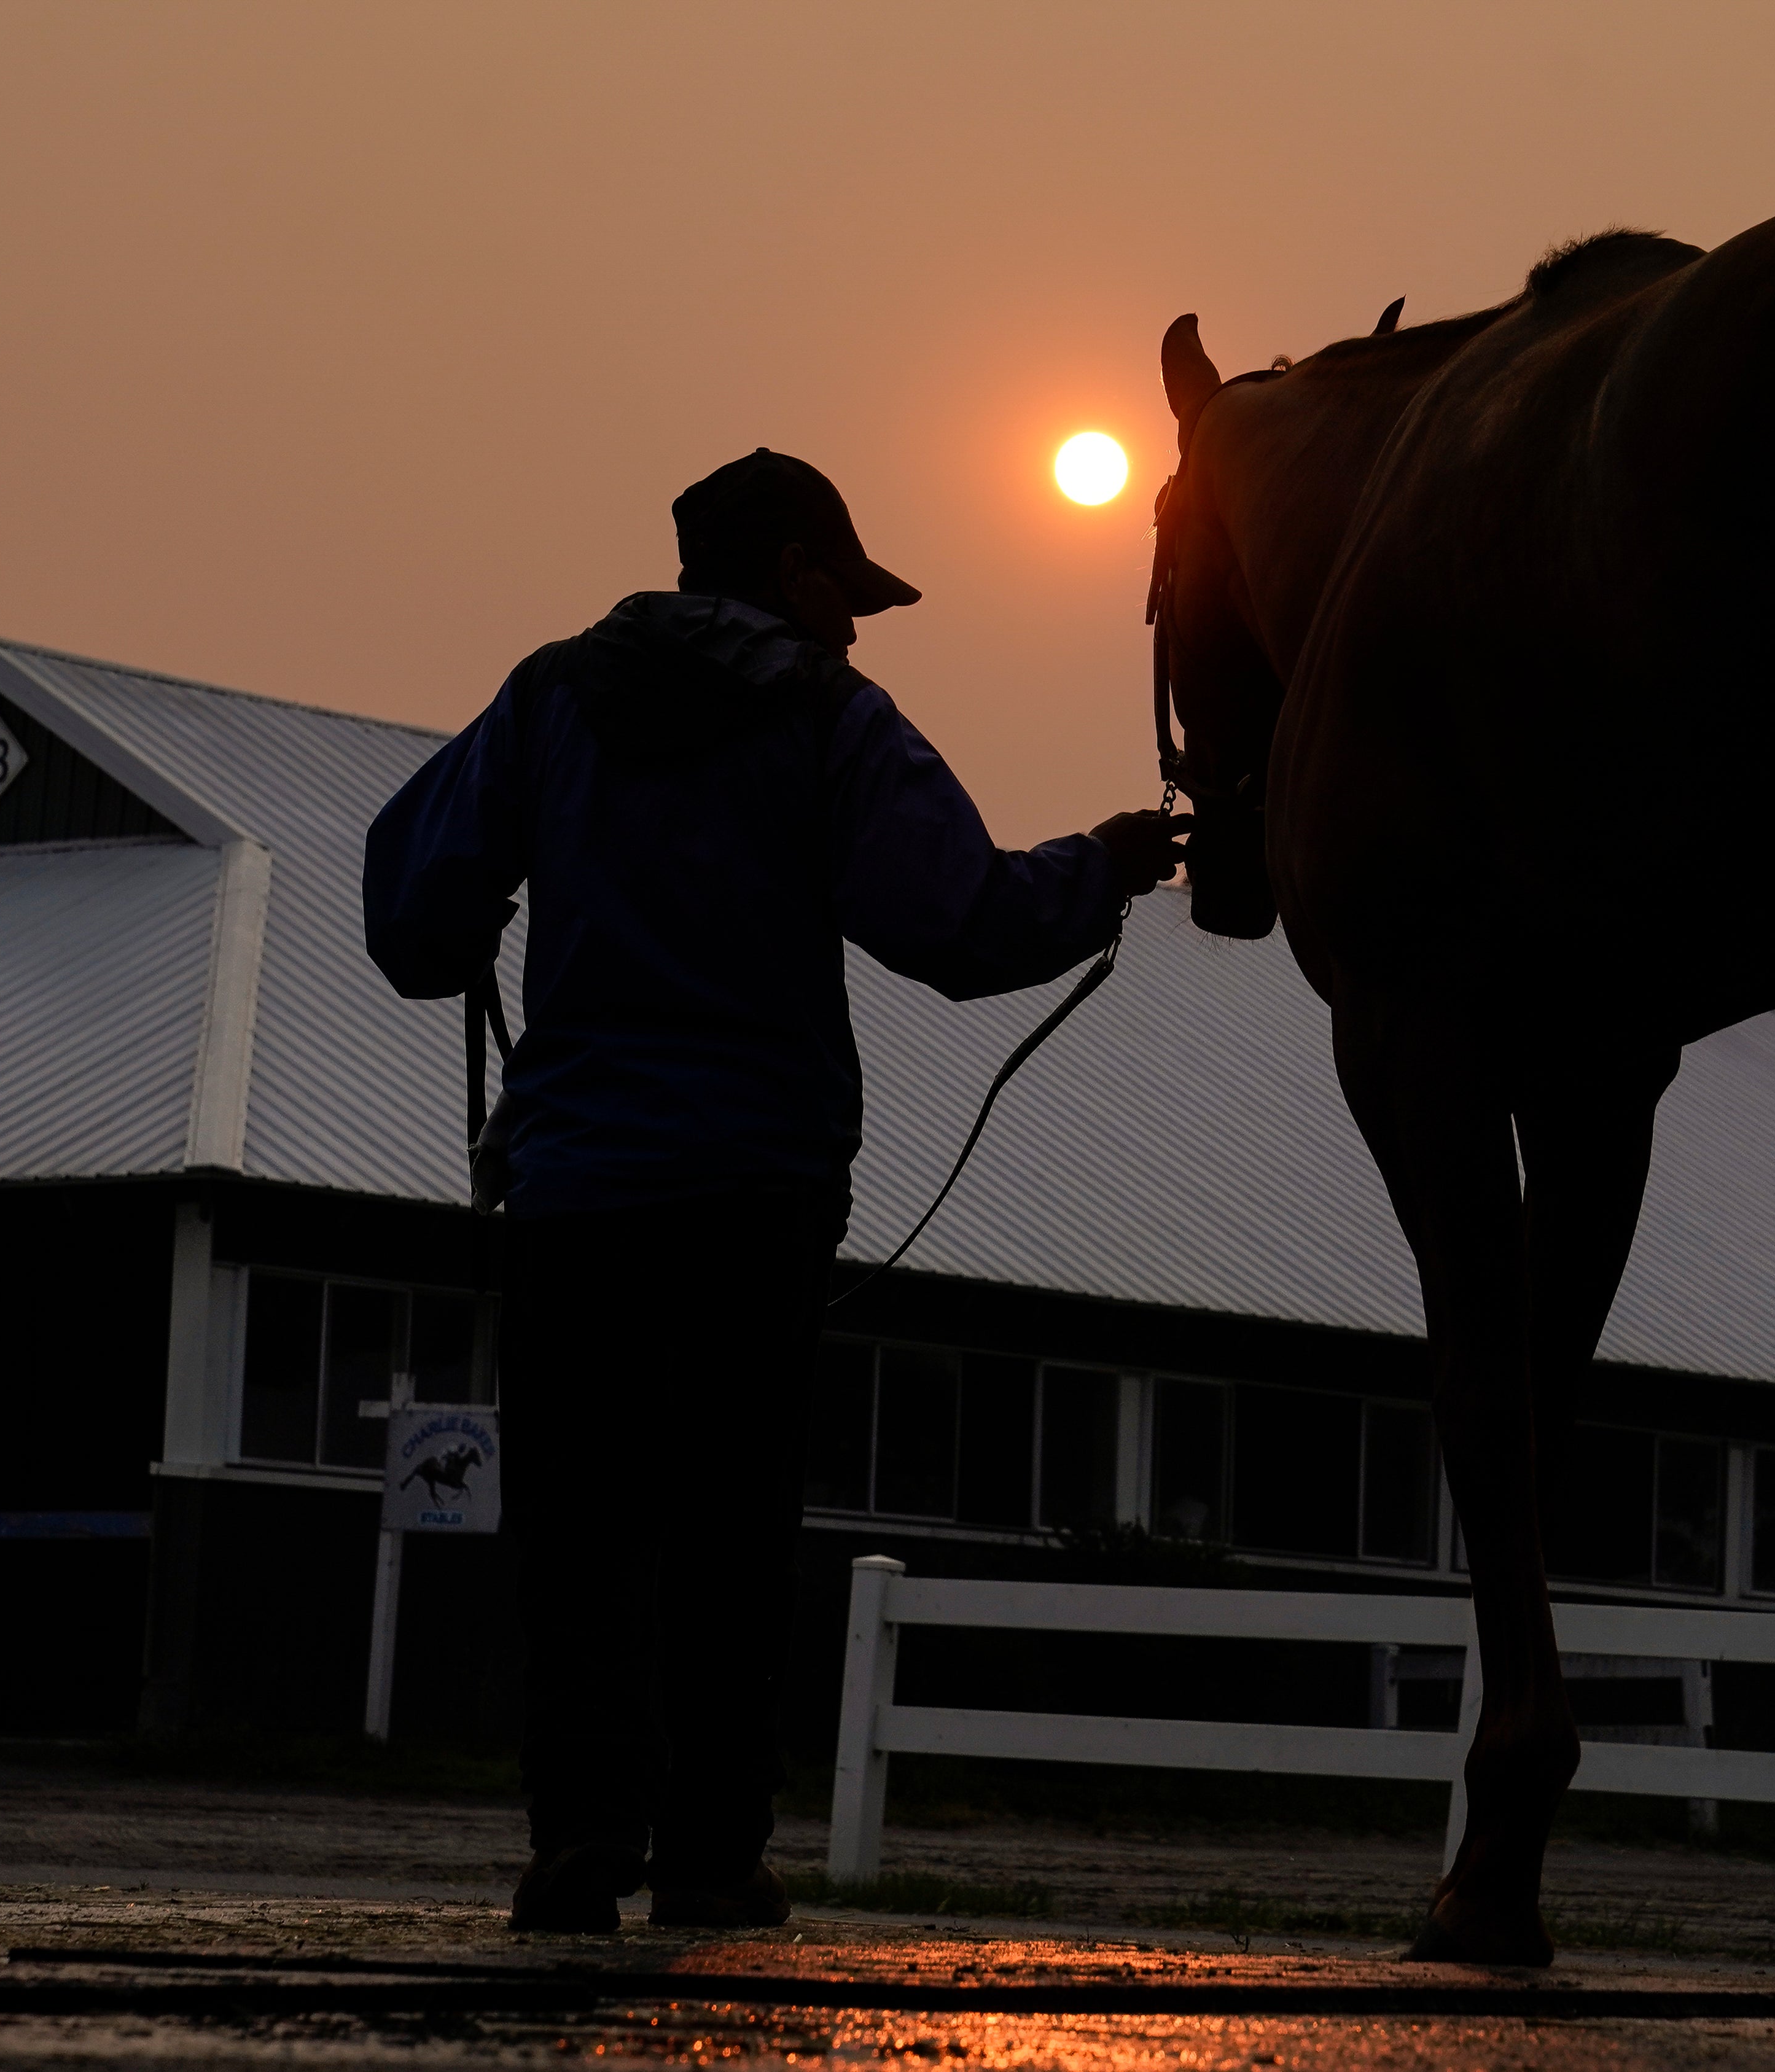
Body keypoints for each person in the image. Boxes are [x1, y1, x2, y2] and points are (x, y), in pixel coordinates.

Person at [364, 449, 1185, 1933]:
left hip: (576, 1187)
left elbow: (415, 915)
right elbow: (957, 924)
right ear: (796, 574)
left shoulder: (549, 699)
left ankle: (580, 1833)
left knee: (582, 1522)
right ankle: (709, 1854)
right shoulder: (829, 715)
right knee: (733, 1523)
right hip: (755, 1187)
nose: (856, 623)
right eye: (846, 592)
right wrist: (1106, 865)